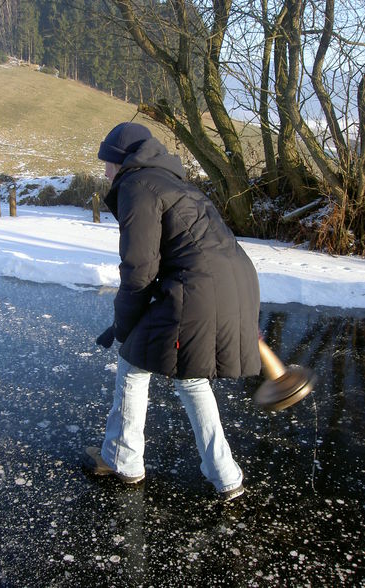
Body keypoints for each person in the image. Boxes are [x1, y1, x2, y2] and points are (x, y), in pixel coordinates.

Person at [82, 122, 261, 502]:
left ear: (121, 161)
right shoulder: (176, 183)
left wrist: (123, 324)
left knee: (133, 362)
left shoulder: (137, 187)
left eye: (107, 163)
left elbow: (138, 269)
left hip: (197, 290)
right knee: (191, 376)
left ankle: (123, 460)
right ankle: (225, 474)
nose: (105, 171)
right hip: (235, 282)